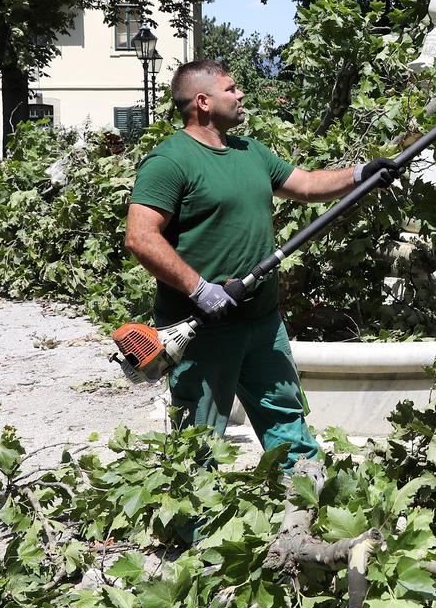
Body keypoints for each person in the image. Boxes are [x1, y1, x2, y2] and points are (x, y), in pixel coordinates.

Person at [124, 59, 398, 463]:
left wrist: (360, 173)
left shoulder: (249, 151)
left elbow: (304, 184)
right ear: (203, 101)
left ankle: (307, 509)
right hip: (203, 329)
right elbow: (140, 237)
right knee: (197, 444)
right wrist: (200, 290)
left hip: (263, 322)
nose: (240, 95)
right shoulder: (170, 161)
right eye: (231, 89)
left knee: (288, 422)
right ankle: (195, 524)